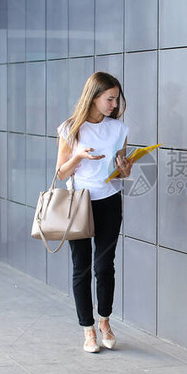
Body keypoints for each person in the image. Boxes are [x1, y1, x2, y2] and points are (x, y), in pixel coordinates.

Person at [56, 72, 133, 353]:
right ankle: (87, 330)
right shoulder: (69, 129)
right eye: (109, 99)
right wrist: (79, 156)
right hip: (79, 201)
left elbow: (122, 171)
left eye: (116, 99)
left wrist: (125, 168)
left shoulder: (119, 129)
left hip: (110, 200)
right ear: (94, 97)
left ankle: (105, 322)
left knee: (104, 266)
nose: (114, 104)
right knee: (82, 267)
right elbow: (61, 172)